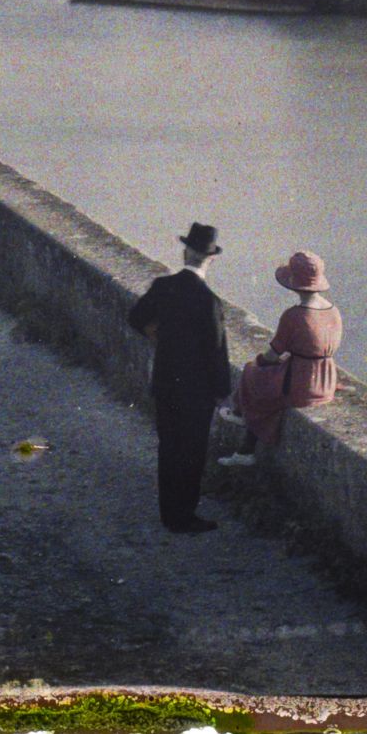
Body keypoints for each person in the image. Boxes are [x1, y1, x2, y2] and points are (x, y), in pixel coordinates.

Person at [126, 222, 231, 534]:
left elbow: (136, 317)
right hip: (196, 392)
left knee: (169, 448)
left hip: (165, 383)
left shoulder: (163, 286)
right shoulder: (208, 301)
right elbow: (217, 352)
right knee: (192, 453)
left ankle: (169, 514)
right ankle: (184, 516)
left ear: (186, 251)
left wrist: (155, 334)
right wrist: (221, 392)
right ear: (211, 259)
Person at [218, 250, 341, 467]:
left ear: (293, 284)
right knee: (267, 383)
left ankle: (241, 421)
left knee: (252, 372)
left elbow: (273, 354)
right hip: (326, 379)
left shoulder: (294, 315)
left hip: (303, 385)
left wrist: (261, 362)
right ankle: (243, 442)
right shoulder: (333, 311)